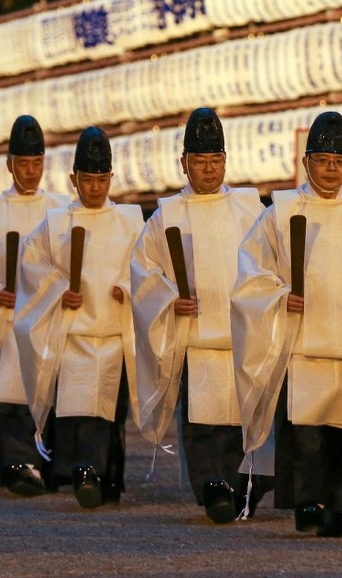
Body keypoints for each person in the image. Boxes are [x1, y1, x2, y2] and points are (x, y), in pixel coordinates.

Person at [232, 112, 342, 535]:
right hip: (304, 343)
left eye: (339, 161)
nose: (331, 169)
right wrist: (280, 295)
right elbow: (251, 271)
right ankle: (310, 502)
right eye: (322, 160)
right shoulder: (280, 213)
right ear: (306, 162)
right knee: (307, 433)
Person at [131, 107, 264, 523]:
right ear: (184, 163)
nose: (209, 169)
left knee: (241, 415)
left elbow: (268, 262)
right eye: (201, 161)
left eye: (216, 160)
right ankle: (212, 485)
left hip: (241, 333)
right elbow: (144, 271)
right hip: (197, 335)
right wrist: (170, 299)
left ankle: (238, 485)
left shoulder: (248, 207)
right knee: (203, 416)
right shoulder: (166, 215)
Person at [15, 126, 144, 508]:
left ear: (111, 179)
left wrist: (129, 285)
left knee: (110, 413)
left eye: (101, 179)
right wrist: (57, 290)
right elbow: (32, 264)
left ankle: (108, 479)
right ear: (74, 179)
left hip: (116, 331)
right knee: (79, 408)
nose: (94, 187)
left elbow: (149, 265)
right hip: (74, 334)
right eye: (87, 179)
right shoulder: (56, 223)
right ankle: (84, 472)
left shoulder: (131, 221)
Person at [0, 115, 69, 495]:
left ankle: (49, 466)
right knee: (15, 394)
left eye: (37, 163)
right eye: (24, 163)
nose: (31, 171)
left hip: (49, 318)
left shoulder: (60, 208)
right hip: (6, 318)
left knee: (52, 393)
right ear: (9, 165)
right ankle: (19, 463)